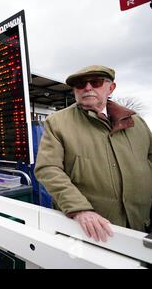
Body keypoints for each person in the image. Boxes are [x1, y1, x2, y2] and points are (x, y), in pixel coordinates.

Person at [34, 65, 152, 242]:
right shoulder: (57, 122)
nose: (87, 87)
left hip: (141, 226)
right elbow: (47, 168)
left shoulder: (137, 123)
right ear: (75, 91)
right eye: (80, 84)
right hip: (89, 233)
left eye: (95, 82)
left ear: (110, 88)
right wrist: (80, 209)